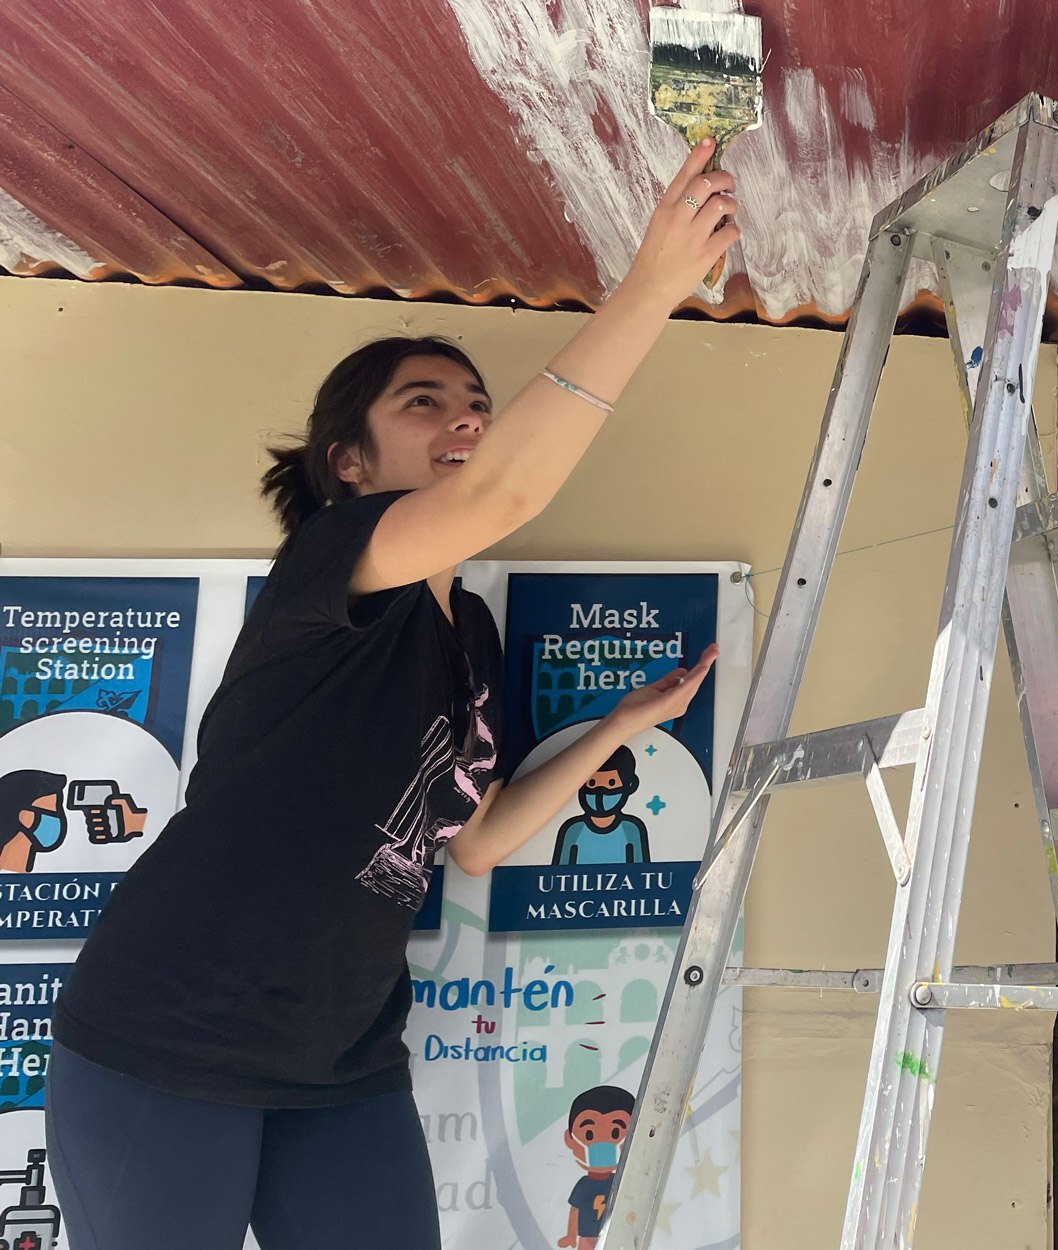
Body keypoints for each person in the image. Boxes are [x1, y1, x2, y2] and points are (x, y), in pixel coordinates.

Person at [44, 139, 736, 1250]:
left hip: (343, 1059)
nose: (466, 416)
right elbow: (508, 485)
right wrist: (651, 287)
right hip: (164, 1040)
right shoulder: (329, 562)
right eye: (425, 403)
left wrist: (615, 727)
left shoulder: (465, 631)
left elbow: (473, 839)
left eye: (476, 399)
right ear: (348, 465)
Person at [558, 1084, 635, 1250]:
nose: (602, 1145)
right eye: (589, 1134)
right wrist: (571, 1235)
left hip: (615, 1235)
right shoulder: (584, 1185)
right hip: (587, 1235)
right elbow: (575, 1210)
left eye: (615, 1133)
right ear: (569, 1140)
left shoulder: (620, 1181)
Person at [552, 745, 652, 865]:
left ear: (630, 785)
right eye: (592, 783)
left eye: (611, 783)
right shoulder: (573, 829)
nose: (600, 791)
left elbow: (641, 871)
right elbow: (558, 871)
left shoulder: (631, 828)